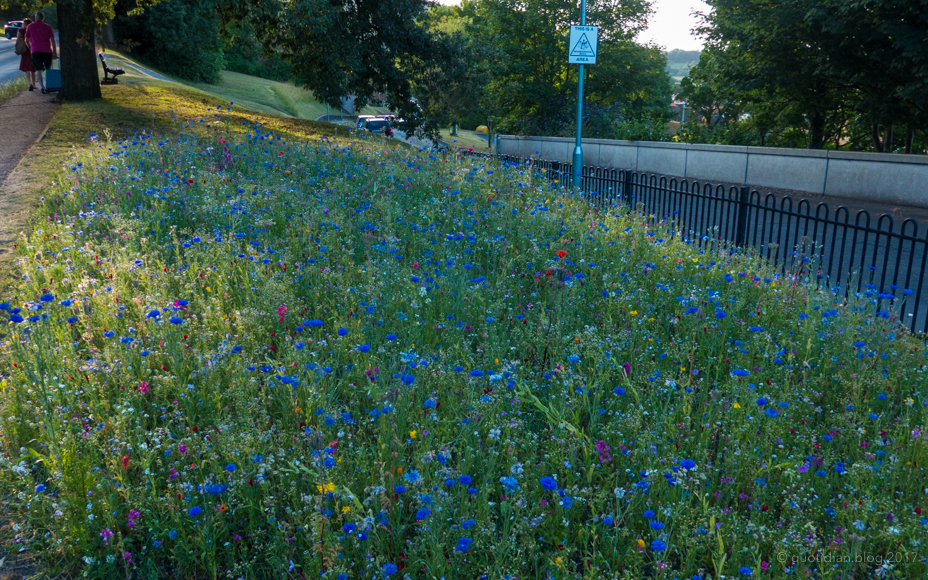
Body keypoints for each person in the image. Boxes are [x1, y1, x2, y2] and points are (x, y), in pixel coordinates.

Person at [24, 11, 56, 94]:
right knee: (48, 69)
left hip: (35, 50)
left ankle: (42, 87)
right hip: (47, 50)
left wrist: (31, 48)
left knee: (38, 69)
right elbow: (52, 40)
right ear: (43, 18)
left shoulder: (30, 26)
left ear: (35, 17)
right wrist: (55, 52)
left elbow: (26, 39)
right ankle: (49, 86)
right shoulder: (47, 27)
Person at [16, 18, 36, 91]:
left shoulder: (21, 30)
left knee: (27, 68)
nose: (23, 25)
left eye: (24, 23)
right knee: (33, 68)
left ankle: (30, 83)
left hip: (25, 50)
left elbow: (18, 40)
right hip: (32, 49)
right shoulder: (33, 30)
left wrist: (18, 46)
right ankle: (34, 84)